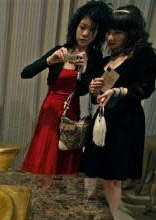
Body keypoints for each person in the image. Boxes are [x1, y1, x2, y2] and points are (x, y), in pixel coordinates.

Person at [81, 5, 156, 212]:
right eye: (108, 32)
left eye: (117, 32)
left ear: (131, 33)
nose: (110, 37)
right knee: (94, 171)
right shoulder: (107, 60)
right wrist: (94, 89)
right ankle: (90, 216)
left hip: (126, 122)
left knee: (113, 177)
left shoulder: (144, 55)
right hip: (103, 121)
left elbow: (146, 88)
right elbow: (98, 99)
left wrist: (118, 91)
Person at [20, 1, 111, 175]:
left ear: (98, 34)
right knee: (43, 157)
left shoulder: (95, 57)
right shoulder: (61, 50)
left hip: (71, 112)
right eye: (82, 27)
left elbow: (88, 93)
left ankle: (57, 198)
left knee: (63, 159)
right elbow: (26, 73)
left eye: (92, 30)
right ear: (75, 26)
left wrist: (84, 69)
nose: (85, 33)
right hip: (50, 110)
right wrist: (49, 61)